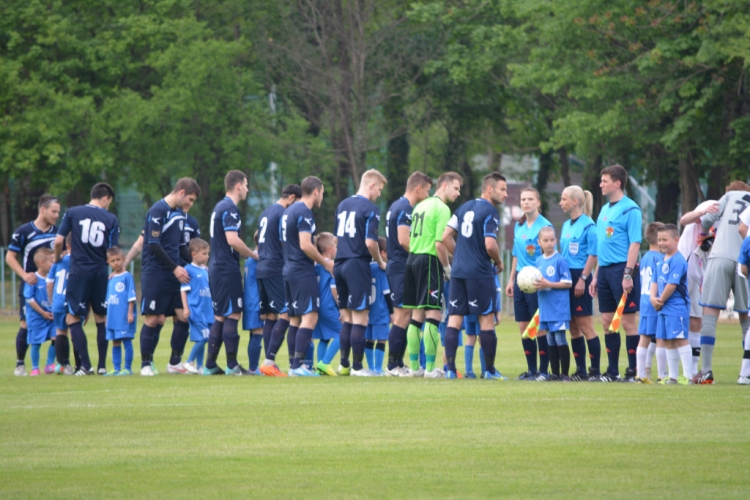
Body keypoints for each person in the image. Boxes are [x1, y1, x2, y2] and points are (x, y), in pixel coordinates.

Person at [442, 172, 508, 380]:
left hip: (459, 272)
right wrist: (498, 261)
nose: (505, 194)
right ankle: (489, 371)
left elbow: (445, 236)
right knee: (486, 320)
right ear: (490, 189)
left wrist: (461, 255)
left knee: (454, 319)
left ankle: (450, 370)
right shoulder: (490, 211)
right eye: (502, 189)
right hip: (479, 272)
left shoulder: (463, 207)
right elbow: (490, 245)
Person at [54, 182, 120, 376]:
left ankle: (85, 365)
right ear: (105, 198)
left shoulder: (73, 212)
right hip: (100, 272)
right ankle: (101, 366)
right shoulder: (111, 218)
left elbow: (58, 240)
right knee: (101, 317)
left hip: (79, 271)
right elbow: (112, 250)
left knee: (72, 317)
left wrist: (58, 257)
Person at [137, 178, 200, 376]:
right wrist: (174, 268)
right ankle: (146, 364)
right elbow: (154, 244)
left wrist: (195, 266)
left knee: (183, 316)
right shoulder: (158, 211)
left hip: (176, 272)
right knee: (153, 318)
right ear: (181, 192)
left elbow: (181, 246)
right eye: (190, 199)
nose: (190, 204)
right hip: (156, 272)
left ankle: (175, 362)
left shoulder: (181, 215)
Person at [403, 172, 463, 378]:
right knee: (434, 315)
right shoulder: (442, 208)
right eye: (456, 188)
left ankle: (413, 367)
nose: (458, 193)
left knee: (416, 317)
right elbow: (440, 243)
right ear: (444, 186)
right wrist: (447, 268)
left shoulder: (420, 206)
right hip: (429, 261)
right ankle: (429, 369)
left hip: (412, 259)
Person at [589, 164, 642, 382]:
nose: (600, 184)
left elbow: (635, 244)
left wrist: (628, 274)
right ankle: (612, 371)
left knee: (628, 323)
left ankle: (634, 371)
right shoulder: (604, 209)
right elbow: (603, 246)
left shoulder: (631, 209)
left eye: (604, 180)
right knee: (607, 322)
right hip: (604, 272)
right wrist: (595, 275)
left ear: (617, 183)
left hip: (622, 270)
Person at [695, 181, 750, 384]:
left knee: (710, 313)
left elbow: (707, 220)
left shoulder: (728, 197)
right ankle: (746, 372)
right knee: (746, 317)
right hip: (745, 259)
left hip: (720, 257)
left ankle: (707, 371)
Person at [334, 169, 387, 376]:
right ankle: (357, 367)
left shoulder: (342, 205)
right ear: (371, 185)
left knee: (347, 317)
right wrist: (380, 261)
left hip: (340, 263)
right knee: (360, 318)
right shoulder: (370, 208)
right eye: (379, 190)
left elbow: (337, 238)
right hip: (357, 265)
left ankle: (345, 365)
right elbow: (370, 242)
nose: (379, 195)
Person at [278, 175, 333, 376]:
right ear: (316, 191)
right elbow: (305, 244)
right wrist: (325, 263)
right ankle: (299, 367)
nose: (322, 198)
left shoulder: (289, 211)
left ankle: (294, 366)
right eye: (322, 194)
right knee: (310, 317)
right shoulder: (304, 212)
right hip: (301, 270)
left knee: (295, 319)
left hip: (288, 269)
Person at [384, 172, 433, 376]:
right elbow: (404, 240)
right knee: (402, 316)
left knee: (405, 315)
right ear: (418, 188)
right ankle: (392, 366)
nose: (429, 196)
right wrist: (421, 253)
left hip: (399, 265)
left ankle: (399, 363)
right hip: (401, 266)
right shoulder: (404, 208)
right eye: (428, 191)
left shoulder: (397, 205)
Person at [7, 195, 61, 376]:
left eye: (58, 212)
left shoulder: (58, 232)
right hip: (32, 286)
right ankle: (20, 364)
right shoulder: (24, 231)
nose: (56, 215)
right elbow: (10, 257)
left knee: (58, 322)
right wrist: (24, 275)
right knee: (26, 323)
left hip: (52, 287)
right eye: (54, 211)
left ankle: (55, 364)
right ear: (43, 209)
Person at [505, 187, 553, 381]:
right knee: (524, 326)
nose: (526, 202)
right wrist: (510, 279)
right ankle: (531, 370)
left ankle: (543, 371)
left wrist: (544, 280)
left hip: (536, 282)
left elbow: (549, 255)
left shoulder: (545, 226)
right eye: (523, 199)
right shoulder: (519, 225)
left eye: (530, 199)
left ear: (538, 202)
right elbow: (516, 255)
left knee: (539, 326)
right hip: (520, 281)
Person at [256, 184, 302, 376]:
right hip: (275, 268)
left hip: (262, 267)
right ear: (292, 197)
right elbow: (285, 242)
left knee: (270, 316)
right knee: (287, 314)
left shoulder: (266, 212)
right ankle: (270, 361)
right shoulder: (283, 214)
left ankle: (269, 363)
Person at [559, 186, 602, 381]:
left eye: (564, 199)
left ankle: (595, 370)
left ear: (575, 201)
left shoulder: (589, 226)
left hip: (580, 276)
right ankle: (580, 370)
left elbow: (593, 255)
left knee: (586, 326)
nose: (561, 203)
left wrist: (584, 279)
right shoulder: (566, 225)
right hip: (566, 277)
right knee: (573, 327)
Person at [678, 199, 719, 376]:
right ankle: (662, 369)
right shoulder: (714, 205)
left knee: (696, 318)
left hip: (702, 269)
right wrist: (702, 213)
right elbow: (684, 220)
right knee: (673, 314)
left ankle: (693, 371)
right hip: (686, 263)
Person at [651, 224, 693, 384]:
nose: (661, 243)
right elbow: (655, 281)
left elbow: (672, 284)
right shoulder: (660, 260)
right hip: (662, 307)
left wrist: (660, 300)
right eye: (659, 239)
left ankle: (688, 376)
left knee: (680, 338)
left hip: (676, 307)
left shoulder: (678, 260)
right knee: (668, 340)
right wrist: (652, 298)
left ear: (676, 240)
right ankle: (673, 376)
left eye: (665, 240)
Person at [533, 227, 573, 381]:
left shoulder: (560, 260)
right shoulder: (538, 261)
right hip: (546, 308)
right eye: (545, 240)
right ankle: (554, 373)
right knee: (550, 340)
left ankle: (565, 374)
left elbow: (568, 282)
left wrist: (548, 284)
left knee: (560, 339)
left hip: (559, 308)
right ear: (539, 243)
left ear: (556, 241)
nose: (549, 243)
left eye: (552, 240)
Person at [636, 222, 666, 383]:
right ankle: (662, 375)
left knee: (644, 338)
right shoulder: (660, 258)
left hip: (644, 301)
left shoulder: (645, 257)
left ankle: (641, 373)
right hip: (655, 301)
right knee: (660, 337)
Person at [180, 238, 213, 374]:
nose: (207, 256)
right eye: (204, 254)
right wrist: (186, 308)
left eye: (207, 254)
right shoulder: (188, 270)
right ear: (194, 254)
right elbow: (183, 290)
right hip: (196, 309)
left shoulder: (206, 270)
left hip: (207, 310)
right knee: (204, 337)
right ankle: (189, 361)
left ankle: (200, 367)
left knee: (205, 338)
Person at [23, 248, 56, 376]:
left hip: (52, 316)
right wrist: (42, 313)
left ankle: (49, 364)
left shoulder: (52, 278)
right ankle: (35, 368)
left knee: (55, 339)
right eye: (52, 261)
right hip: (37, 317)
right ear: (42, 263)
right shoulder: (33, 279)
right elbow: (29, 298)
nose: (54, 264)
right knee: (35, 343)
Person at [104, 247, 136, 376]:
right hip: (113, 317)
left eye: (118, 259)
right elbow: (109, 299)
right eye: (113, 261)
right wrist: (107, 318)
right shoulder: (111, 278)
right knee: (115, 342)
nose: (116, 263)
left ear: (123, 259)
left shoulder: (127, 277)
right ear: (108, 262)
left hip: (124, 317)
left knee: (126, 341)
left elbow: (131, 297)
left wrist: (129, 313)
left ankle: (127, 368)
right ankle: (116, 368)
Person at [47, 236, 77, 375]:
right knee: (75, 332)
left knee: (60, 331)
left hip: (58, 301)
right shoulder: (80, 262)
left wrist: (52, 301)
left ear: (67, 246)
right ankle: (79, 365)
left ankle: (61, 364)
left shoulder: (57, 262)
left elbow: (49, 282)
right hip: (73, 300)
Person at [313, 233, 342, 376]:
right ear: (330, 249)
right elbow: (334, 289)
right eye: (336, 246)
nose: (337, 249)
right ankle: (325, 363)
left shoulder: (316, 264)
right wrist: (341, 307)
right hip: (328, 305)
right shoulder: (331, 266)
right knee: (343, 333)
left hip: (316, 305)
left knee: (324, 337)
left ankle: (320, 368)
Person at [366, 237, 391, 375]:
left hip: (368, 310)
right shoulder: (382, 269)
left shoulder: (367, 267)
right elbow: (386, 291)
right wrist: (391, 310)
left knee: (369, 339)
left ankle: (370, 368)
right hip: (381, 309)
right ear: (381, 253)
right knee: (382, 339)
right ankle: (378, 368)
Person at [243, 232, 264, 375]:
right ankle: (253, 368)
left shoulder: (250, 258)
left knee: (254, 333)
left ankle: (253, 366)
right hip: (256, 301)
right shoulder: (259, 259)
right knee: (258, 333)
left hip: (249, 300)